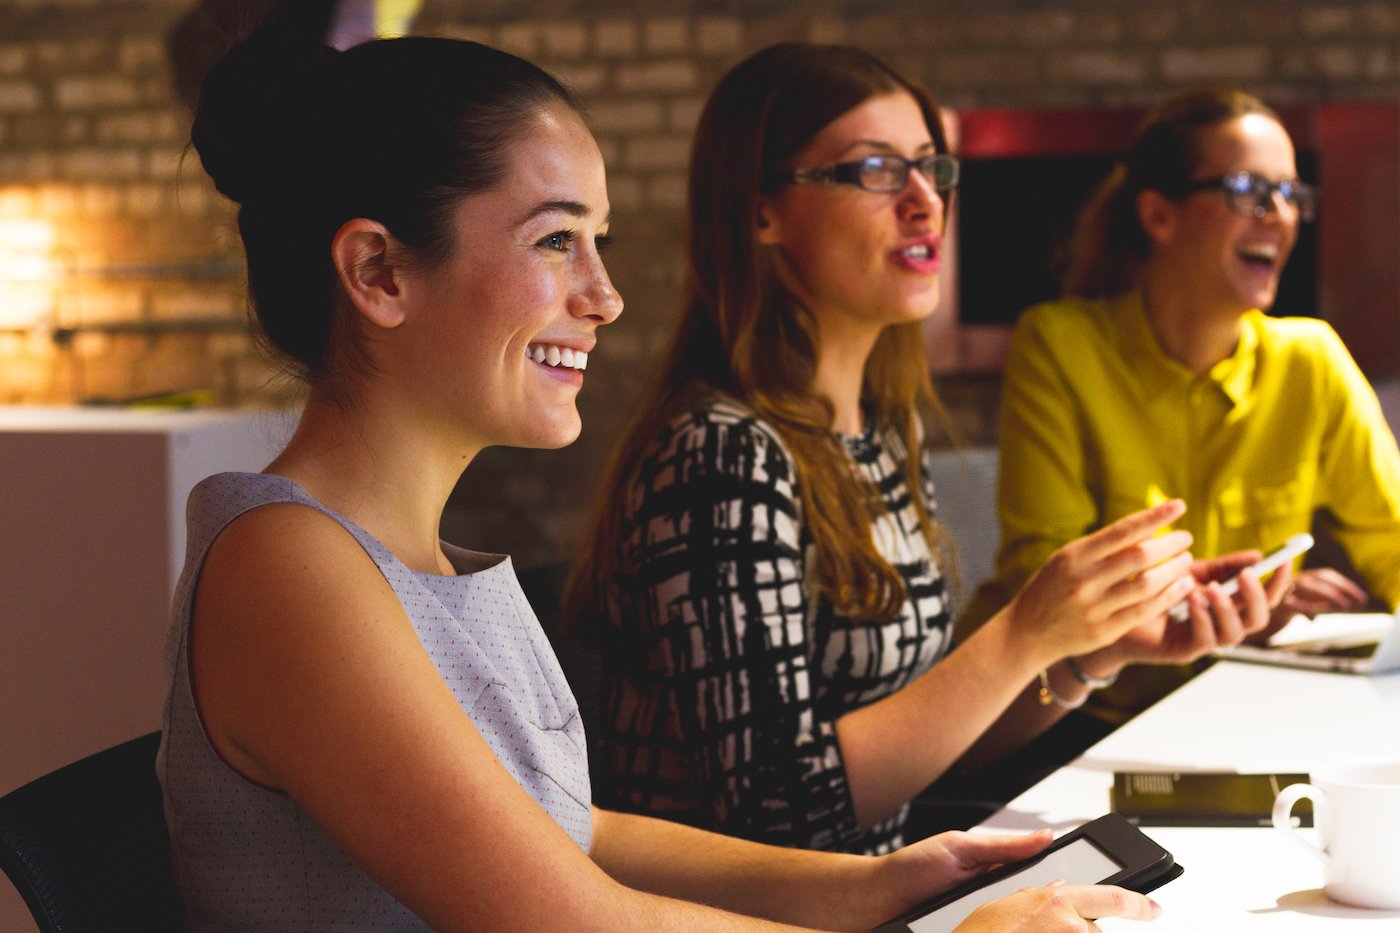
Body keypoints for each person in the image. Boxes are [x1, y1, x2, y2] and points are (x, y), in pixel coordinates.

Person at [155, 22, 1168, 932]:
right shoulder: (287, 567)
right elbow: (577, 922)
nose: (603, 296)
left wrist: (874, 887)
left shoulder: (414, 558)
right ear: (378, 273)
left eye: (595, 242)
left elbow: (569, 829)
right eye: (556, 240)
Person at [565, 43, 1284, 859]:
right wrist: (1020, 633)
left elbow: (926, 742)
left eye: (929, 168)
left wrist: (1090, 648)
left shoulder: (878, 427)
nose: (923, 202)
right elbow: (776, 813)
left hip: (875, 894)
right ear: (761, 209)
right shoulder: (721, 455)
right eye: (874, 170)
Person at [961, 85, 1400, 725]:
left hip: (1239, 711)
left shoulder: (1312, 360)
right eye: (1250, 190)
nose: (1281, 215)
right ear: (1159, 216)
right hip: (1064, 716)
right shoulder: (1058, 345)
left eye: (1292, 195)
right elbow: (1045, 578)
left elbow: (1395, 542)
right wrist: (1236, 606)